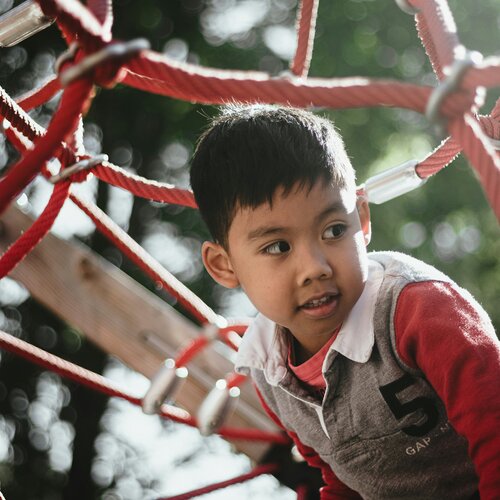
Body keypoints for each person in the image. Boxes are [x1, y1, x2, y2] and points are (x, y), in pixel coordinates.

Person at [189, 104, 500, 499]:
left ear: (362, 220)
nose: (315, 268)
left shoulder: (418, 309)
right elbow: (341, 479)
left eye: (334, 230)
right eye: (278, 247)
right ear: (224, 265)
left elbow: (495, 428)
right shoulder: (269, 371)